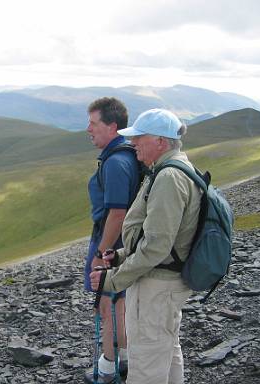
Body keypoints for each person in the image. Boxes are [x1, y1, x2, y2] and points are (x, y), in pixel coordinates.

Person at [90, 108, 201, 384]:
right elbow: (157, 238)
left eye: (140, 137)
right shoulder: (174, 168)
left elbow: (156, 247)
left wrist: (113, 280)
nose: (133, 142)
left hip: (156, 286)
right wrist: (120, 255)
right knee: (166, 350)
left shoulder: (168, 178)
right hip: (166, 282)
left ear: (161, 142)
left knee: (145, 366)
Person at [84, 97, 140, 383]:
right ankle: (126, 358)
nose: (88, 129)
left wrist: (100, 254)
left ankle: (108, 367)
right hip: (122, 245)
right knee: (120, 304)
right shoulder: (126, 155)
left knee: (108, 305)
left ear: (113, 126)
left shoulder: (116, 162)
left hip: (112, 246)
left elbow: (117, 214)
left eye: (94, 123)